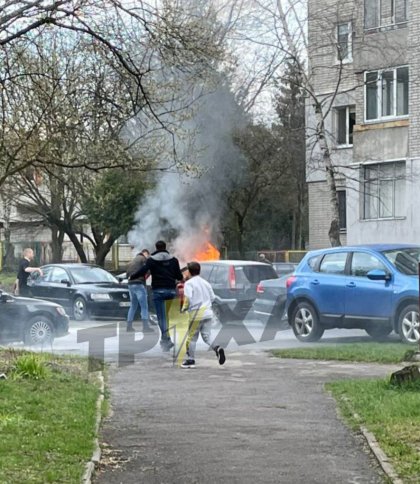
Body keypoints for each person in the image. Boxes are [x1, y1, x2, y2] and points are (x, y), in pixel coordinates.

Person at [129, 240, 183, 351]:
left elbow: (143, 271)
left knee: (161, 317)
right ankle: (165, 341)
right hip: (171, 291)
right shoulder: (174, 260)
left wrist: (132, 276)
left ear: (156, 247)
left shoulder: (151, 260)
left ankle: (166, 339)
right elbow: (178, 275)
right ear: (165, 247)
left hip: (158, 291)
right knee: (166, 316)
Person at [180, 261, 225, 369]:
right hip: (208, 313)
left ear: (189, 272)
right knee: (207, 336)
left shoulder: (189, 284)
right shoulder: (206, 283)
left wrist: (183, 308)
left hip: (195, 313)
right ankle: (217, 348)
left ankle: (190, 360)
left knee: (191, 338)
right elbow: (213, 297)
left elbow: (188, 298)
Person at [126, 249, 153, 333]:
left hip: (130, 284)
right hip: (139, 284)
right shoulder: (143, 259)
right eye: (148, 255)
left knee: (133, 306)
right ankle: (145, 327)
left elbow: (127, 274)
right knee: (144, 306)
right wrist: (145, 278)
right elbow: (149, 270)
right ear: (146, 254)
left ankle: (129, 326)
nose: (148, 257)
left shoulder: (132, 261)